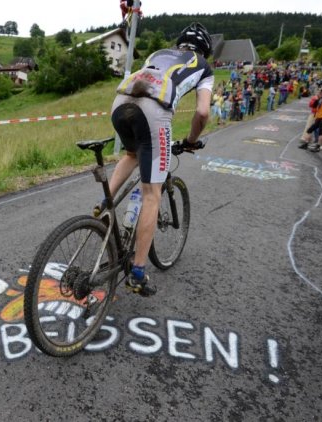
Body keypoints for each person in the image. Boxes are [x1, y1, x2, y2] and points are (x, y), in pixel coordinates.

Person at [106, 22, 214, 296]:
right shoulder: (204, 67)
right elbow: (202, 113)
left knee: (132, 152)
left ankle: (101, 206)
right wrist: (190, 140)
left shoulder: (156, 55)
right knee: (152, 193)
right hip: (154, 111)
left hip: (120, 103)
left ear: (179, 43)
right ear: (205, 49)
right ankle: (139, 272)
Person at [299, 84, 322, 152]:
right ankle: (306, 144)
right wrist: (318, 97)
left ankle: (318, 147)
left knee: (320, 133)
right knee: (310, 130)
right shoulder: (321, 98)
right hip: (318, 117)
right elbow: (314, 106)